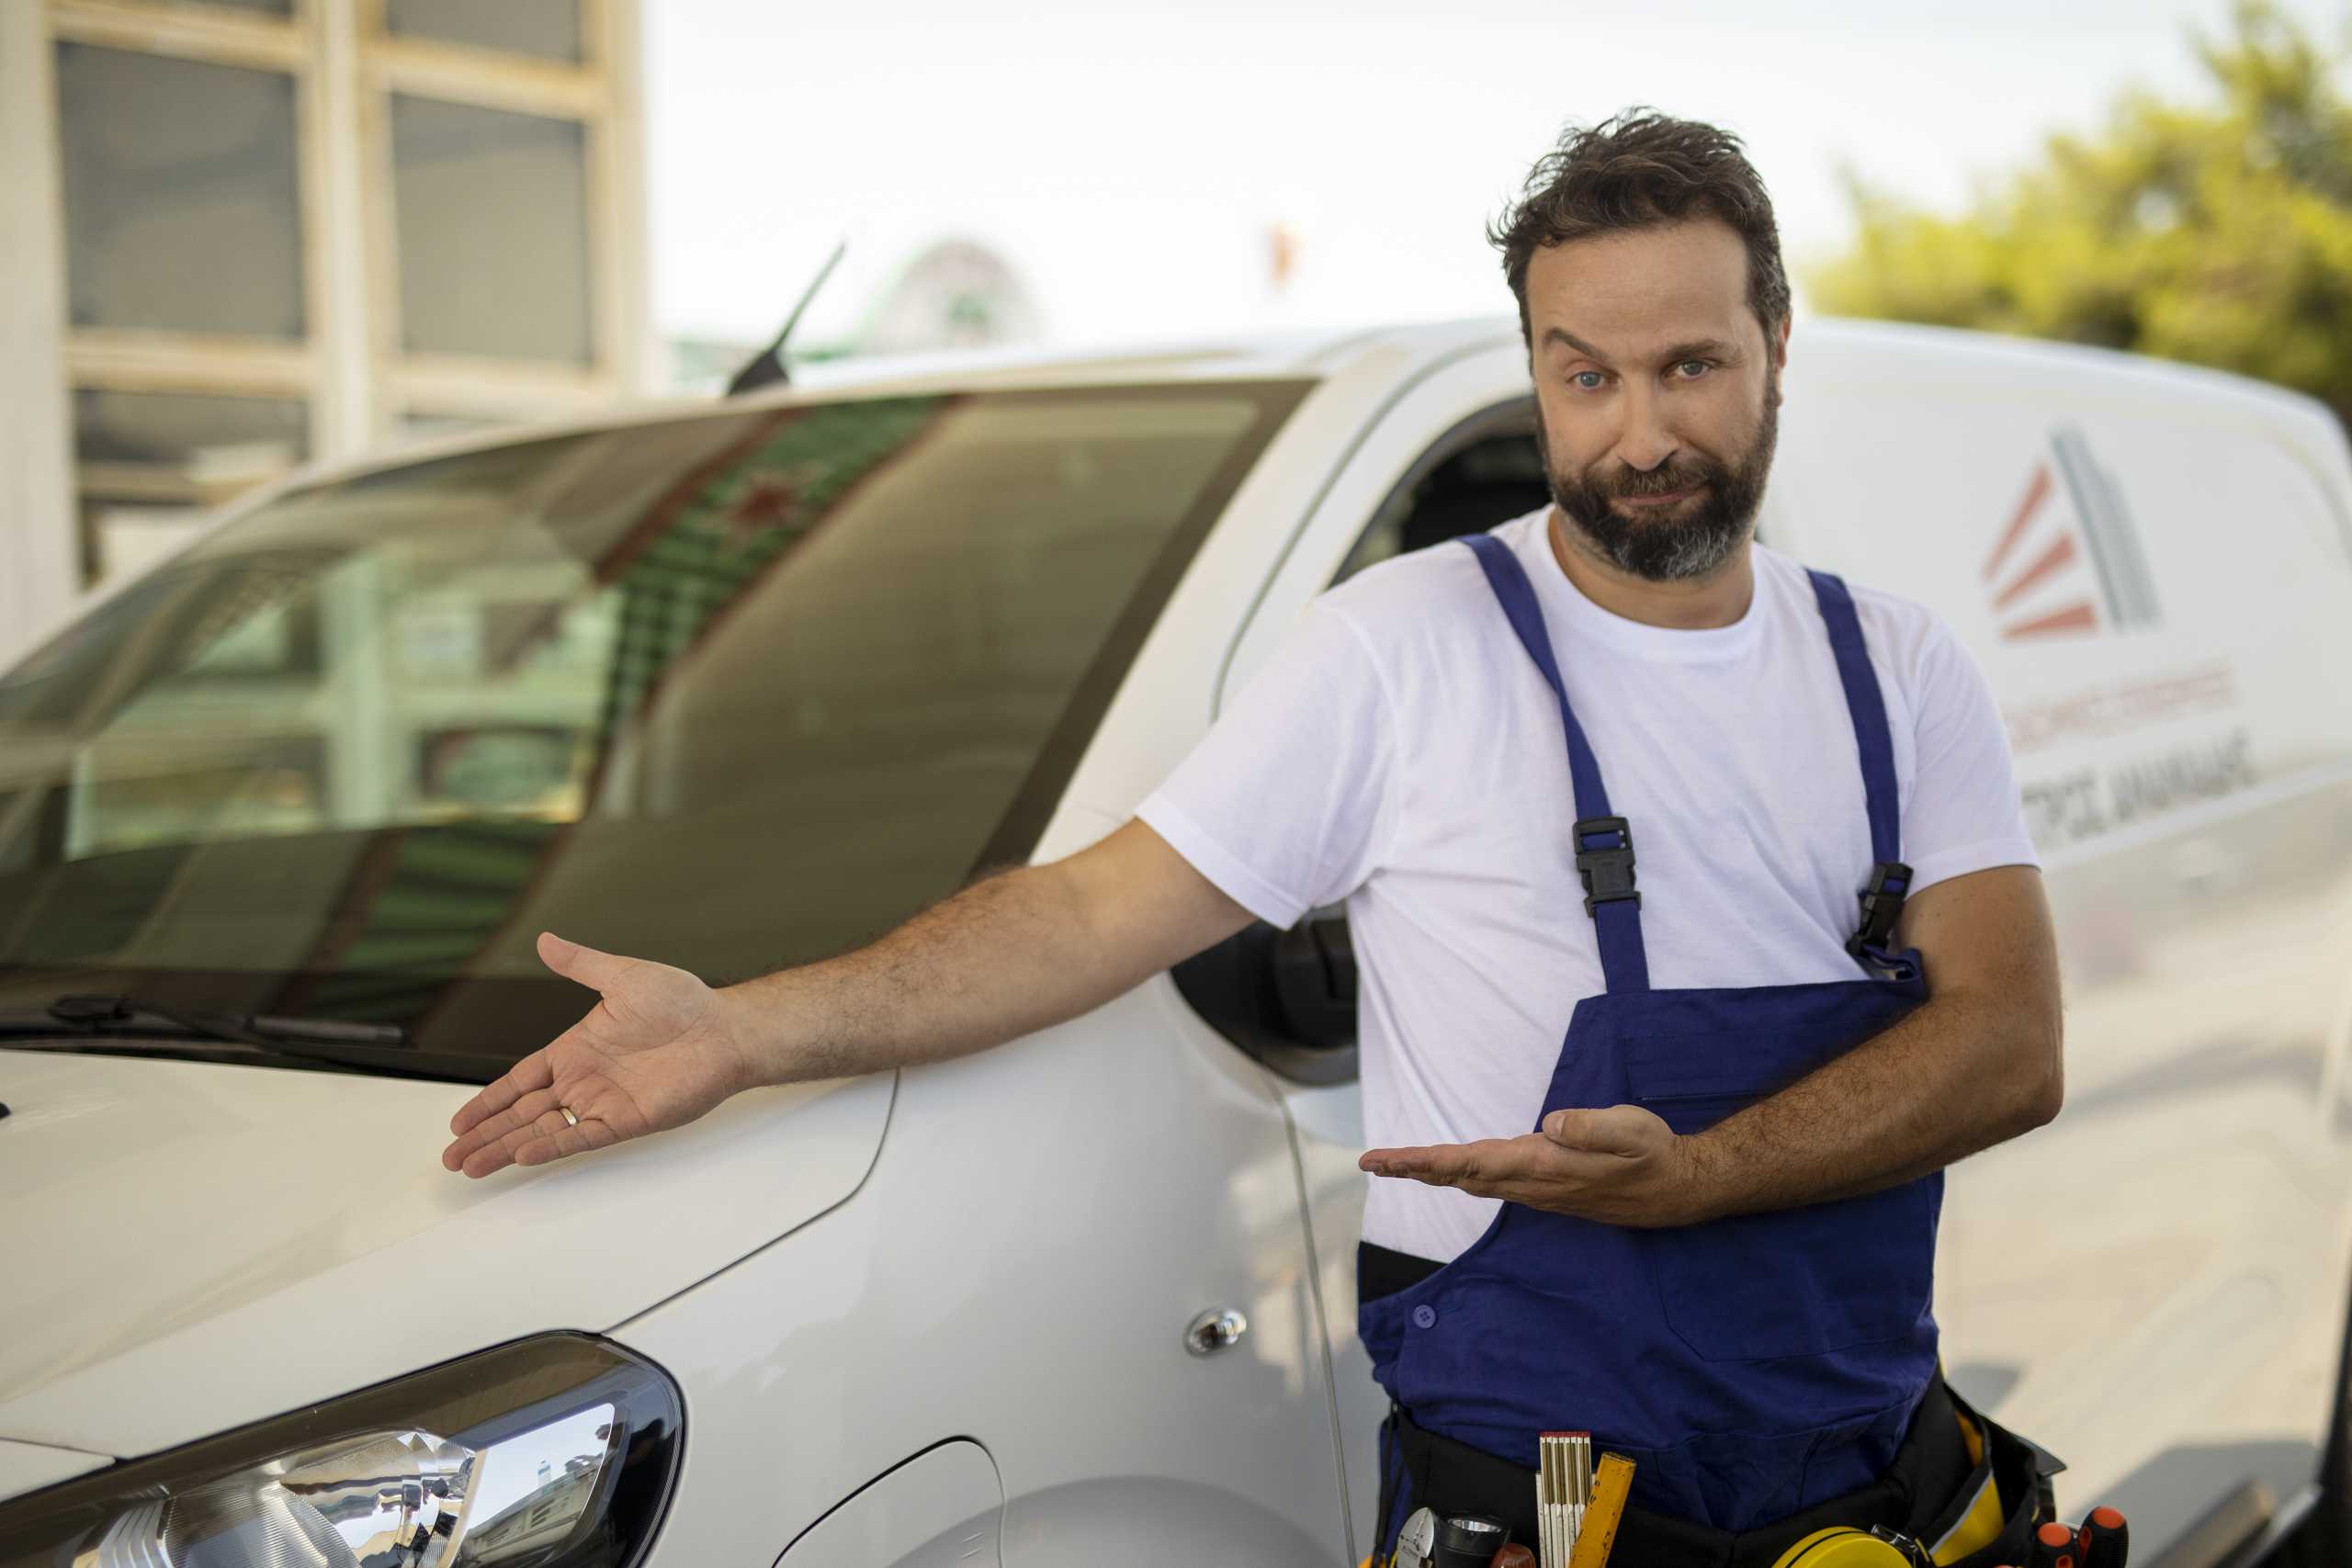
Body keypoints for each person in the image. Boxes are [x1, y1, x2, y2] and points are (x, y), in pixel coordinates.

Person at [441, 110, 2064, 1566]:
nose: (1637, 432)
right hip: (1552, 1501)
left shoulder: (1895, 671)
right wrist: (738, 1027)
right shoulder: (1405, 649)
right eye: (1585, 375)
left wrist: (1702, 1176)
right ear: (1538, 371)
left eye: (1690, 367)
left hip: (1864, 1490)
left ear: (1779, 342)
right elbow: (1088, 916)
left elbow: (2008, 1041)